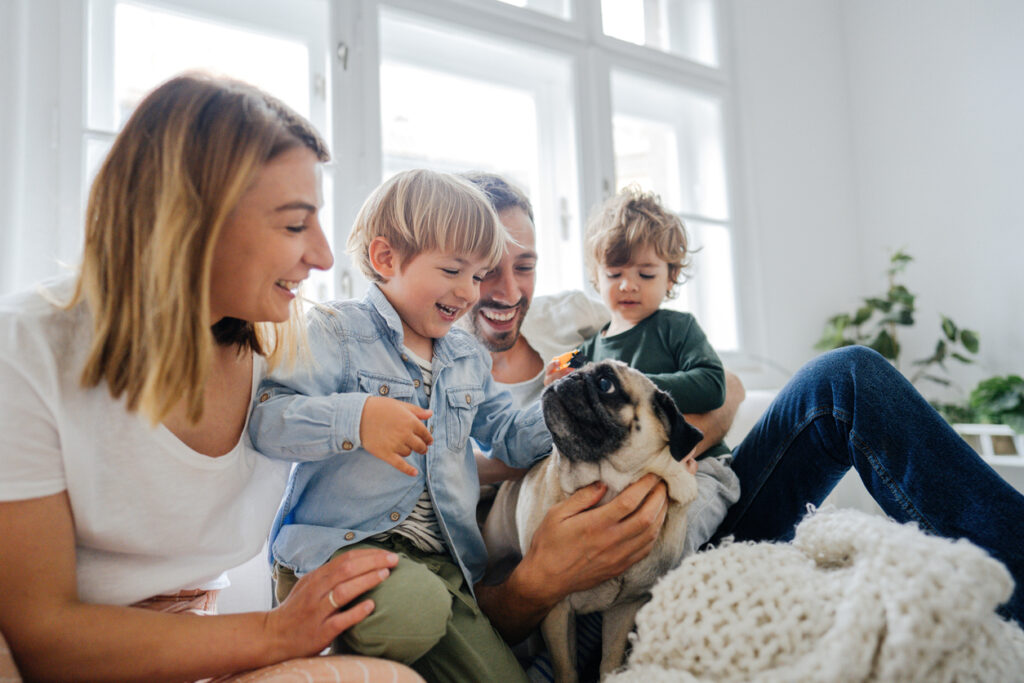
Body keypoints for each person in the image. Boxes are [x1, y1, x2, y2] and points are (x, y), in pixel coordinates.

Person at [461, 172, 1024, 655]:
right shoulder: (425, 388)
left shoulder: (577, 325)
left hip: (696, 508)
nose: (509, 289)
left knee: (845, 376)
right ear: (449, 268)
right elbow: (468, 595)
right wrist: (536, 579)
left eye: (525, 264)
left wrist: (666, 455)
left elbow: (725, 389)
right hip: (587, 594)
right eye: (485, 268)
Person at [0, 74, 423, 682]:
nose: (325, 256)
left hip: (203, 649)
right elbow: (43, 637)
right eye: (294, 224)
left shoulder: (285, 344)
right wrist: (278, 632)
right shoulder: (27, 350)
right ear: (189, 222)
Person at [249, 169, 553, 682]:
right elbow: (267, 421)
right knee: (416, 611)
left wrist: (568, 403)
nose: (470, 293)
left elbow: (512, 436)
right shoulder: (337, 331)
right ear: (385, 259)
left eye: (476, 276)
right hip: (343, 548)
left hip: (442, 567)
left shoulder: (466, 357)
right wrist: (358, 418)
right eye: (453, 270)